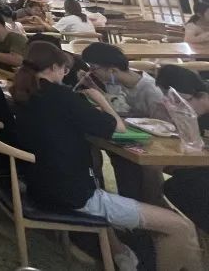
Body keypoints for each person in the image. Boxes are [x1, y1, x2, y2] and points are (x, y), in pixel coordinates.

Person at [12, 41, 200, 271]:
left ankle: (121, 251)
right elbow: (116, 127)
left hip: (40, 187)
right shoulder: (63, 97)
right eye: (64, 69)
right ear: (53, 68)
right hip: (74, 197)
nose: (65, 74)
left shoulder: (23, 94)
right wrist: (101, 99)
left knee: (108, 182)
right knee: (180, 227)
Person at [154, 65, 209, 232]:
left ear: (201, 95)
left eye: (181, 101)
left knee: (185, 186)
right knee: (176, 184)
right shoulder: (196, 114)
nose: (180, 107)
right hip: (200, 166)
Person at [81, 42, 168, 120]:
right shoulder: (114, 80)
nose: (90, 72)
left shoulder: (152, 90)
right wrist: (92, 86)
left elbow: (162, 123)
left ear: (113, 70)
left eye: (93, 68)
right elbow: (114, 103)